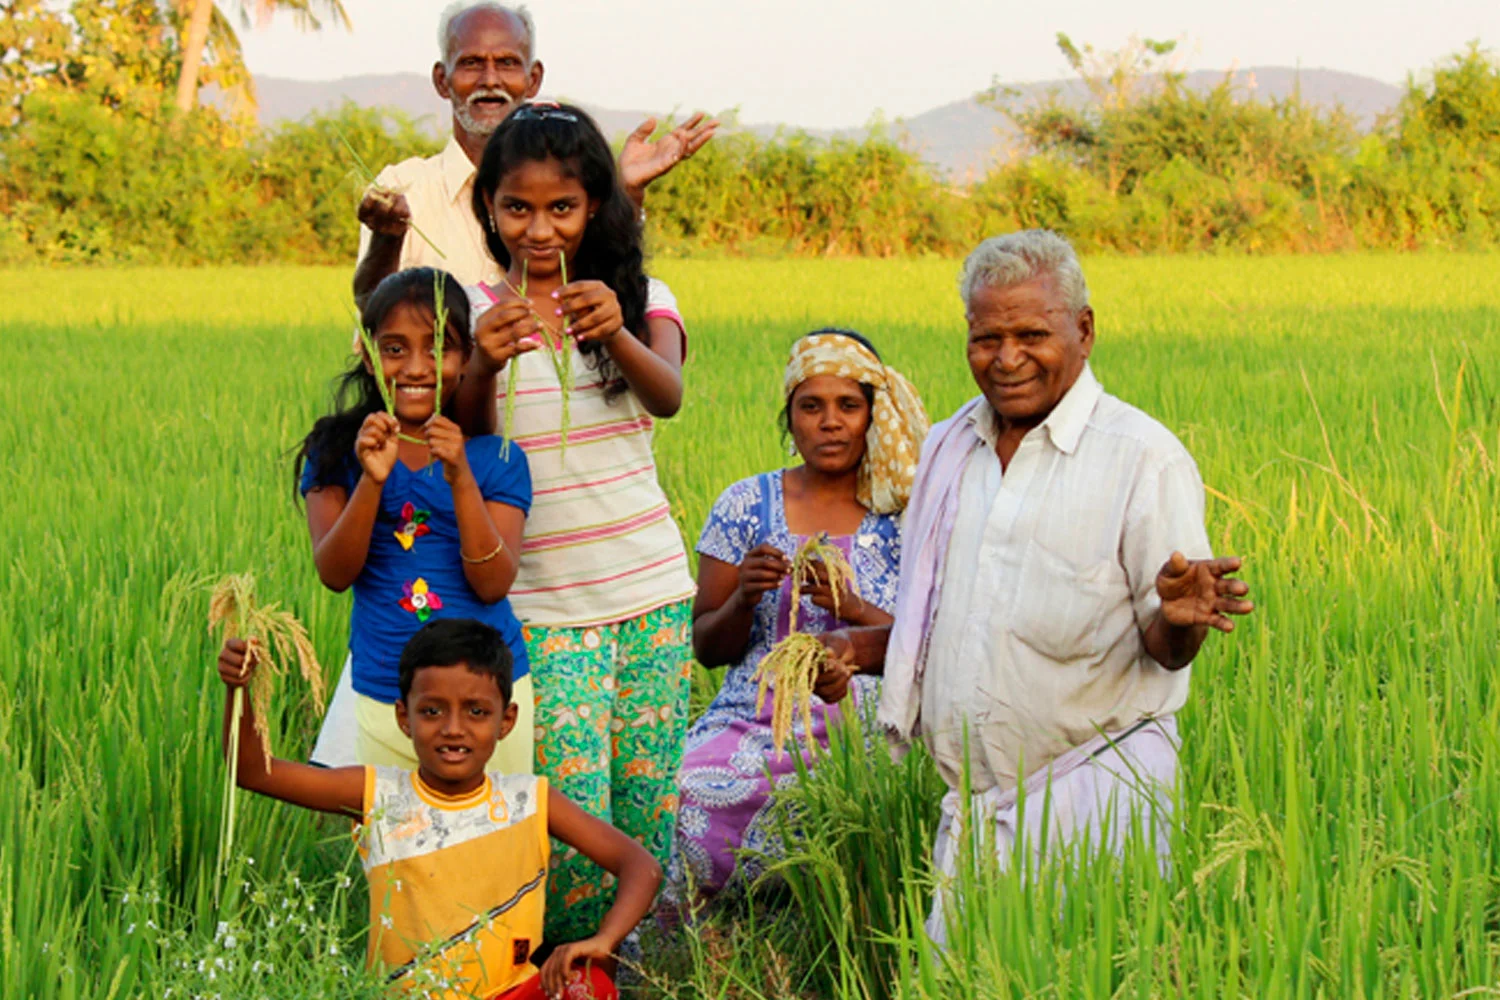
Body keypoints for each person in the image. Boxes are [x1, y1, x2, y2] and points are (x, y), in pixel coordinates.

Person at [815, 230, 1255, 943]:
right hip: (974, 816)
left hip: (1097, 803)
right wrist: (855, 650)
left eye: (1032, 333)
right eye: (987, 337)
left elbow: (1166, 651)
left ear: (1083, 331)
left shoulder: (1140, 459)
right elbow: (950, 620)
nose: (1008, 358)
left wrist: (1180, 618)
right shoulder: (951, 448)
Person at [455, 101, 695, 945]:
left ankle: (621, 965)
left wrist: (617, 333)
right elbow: (469, 444)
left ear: (594, 207)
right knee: (570, 813)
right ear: (490, 209)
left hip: (653, 597)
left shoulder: (641, 297)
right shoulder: (479, 310)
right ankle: (561, 963)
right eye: (518, 207)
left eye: (562, 207)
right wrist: (482, 358)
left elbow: (666, 396)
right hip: (544, 610)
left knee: (645, 804)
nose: (540, 228)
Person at [216, 618, 663, 999]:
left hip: (511, 989)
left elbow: (639, 865)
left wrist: (604, 941)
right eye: (432, 712)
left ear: (505, 720)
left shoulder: (530, 801)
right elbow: (254, 772)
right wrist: (239, 690)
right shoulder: (377, 795)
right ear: (403, 717)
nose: (453, 729)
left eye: (475, 712)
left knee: (589, 984)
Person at [665, 329, 929, 905]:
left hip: (868, 720)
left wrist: (852, 609)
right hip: (755, 715)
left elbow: (936, 638)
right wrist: (744, 599)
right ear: (790, 418)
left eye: (848, 406)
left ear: (874, 416)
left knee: (864, 804)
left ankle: (822, 926)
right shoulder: (745, 505)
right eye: (811, 406)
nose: (830, 421)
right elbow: (708, 647)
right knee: (684, 791)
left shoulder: (906, 512)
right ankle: (706, 937)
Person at [297, 268, 534, 773]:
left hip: (487, 698)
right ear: (367, 353)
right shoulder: (337, 452)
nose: (416, 367)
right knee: (395, 849)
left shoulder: (498, 459)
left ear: (466, 357)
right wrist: (372, 480)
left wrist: (461, 478)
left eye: (438, 348)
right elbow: (335, 574)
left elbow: (493, 583)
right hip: (387, 694)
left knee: (497, 845)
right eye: (394, 348)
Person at [353, 1, 716, 302]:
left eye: (507, 63)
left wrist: (626, 193)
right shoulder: (404, 189)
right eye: (471, 63)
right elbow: (374, 317)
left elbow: (613, 285)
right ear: (441, 80)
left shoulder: (571, 181)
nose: (490, 80)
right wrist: (389, 238)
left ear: (533, 79)